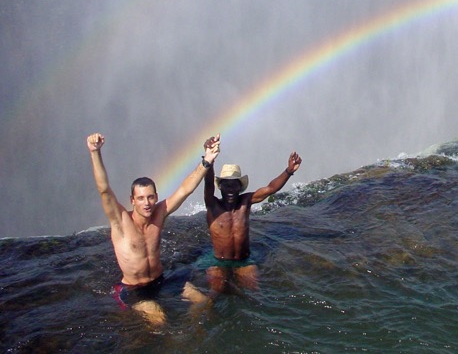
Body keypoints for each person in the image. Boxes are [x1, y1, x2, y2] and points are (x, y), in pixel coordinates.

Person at [86, 132, 220, 326]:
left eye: (150, 197)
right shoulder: (121, 220)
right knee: (159, 319)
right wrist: (95, 152)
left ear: (156, 197)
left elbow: (185, 189)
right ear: (132, 201)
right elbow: (104, 190)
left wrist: (206, 160)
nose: (146, 203)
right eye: (140, 198)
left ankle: (195, 338)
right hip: (133, 289)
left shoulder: (160, 213)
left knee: (203, 302)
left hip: (161, 280)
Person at [201, 144, 302, 293]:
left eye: (234, 185)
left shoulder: (245, 202)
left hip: (244, 261)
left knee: (252, 294)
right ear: (220, 187)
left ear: (239, 188)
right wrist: (209, 160)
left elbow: (270, 189)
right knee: (215, 294)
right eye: (226, 185)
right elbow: (208, 183)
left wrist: (288, 171)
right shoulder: (212, 204)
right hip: (219, 262)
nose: (230, 190)